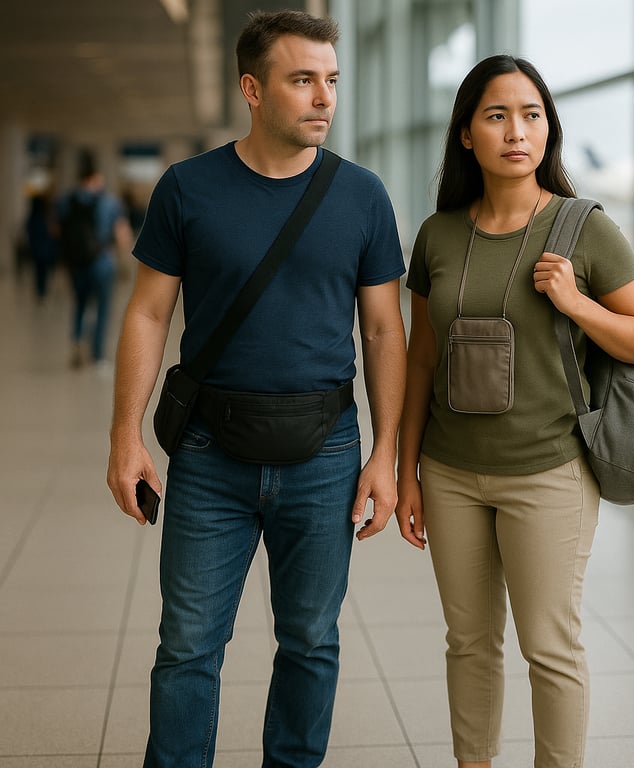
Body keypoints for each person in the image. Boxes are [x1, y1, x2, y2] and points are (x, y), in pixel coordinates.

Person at [106, 10, 406, 768]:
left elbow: (382, 331)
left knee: (310, 642)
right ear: (252, 87)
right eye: (302, 79)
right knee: (187, 646)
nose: (323, 98)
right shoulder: (188, 189)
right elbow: (147, 312)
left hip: (327, 450)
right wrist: (125, 437)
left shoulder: (363, 196)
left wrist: (386, 455)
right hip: (209, 451)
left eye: (331, 80)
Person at [395, 55, 634, 768]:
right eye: (496, 115)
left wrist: (576, 303)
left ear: (549, 129)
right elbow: (422, 359)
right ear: (466, 135)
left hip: (548, 472)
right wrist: (405, 474)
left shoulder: (586, 230)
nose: (516, 131)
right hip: (450, 474)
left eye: (531, 114)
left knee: (549, 646)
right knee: (469, 642)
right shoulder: (438, 235)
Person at [57, 150, 132, 368]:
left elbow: (56, 230)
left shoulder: (66, 201)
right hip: (102, 261)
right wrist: (124, 261)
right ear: (97, 178)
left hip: (76, 262)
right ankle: (98, 356)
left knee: (80, 304)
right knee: (102, 307)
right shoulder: (109, 202)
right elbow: (122, 235)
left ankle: (77, 342)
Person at [24, 191, 58, 301]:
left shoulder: (33, 218)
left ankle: (41, 290)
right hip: (44, 249)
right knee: (43, 271)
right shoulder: (43, 218)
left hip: (37, 249)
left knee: (39, 271)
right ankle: (42, 290)